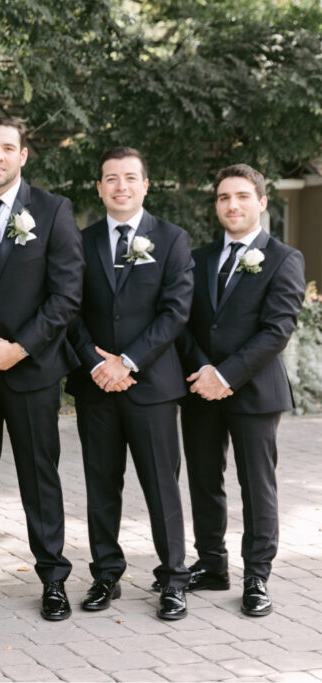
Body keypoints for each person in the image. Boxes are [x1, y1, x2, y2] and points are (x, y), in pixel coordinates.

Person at [0, 117, 82, 621]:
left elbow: (66, 294)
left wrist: (21, 348)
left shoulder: (52, 210)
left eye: (8, 148)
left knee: (38, 475)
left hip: (32, 372)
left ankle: (52, 576)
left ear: (24, 155)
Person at [65, 147, 193, 620]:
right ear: (99, 188)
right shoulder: (81, 240)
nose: (120, 186)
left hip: (153, 386)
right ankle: (105, 574)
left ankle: (174, 579)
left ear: (145, 185)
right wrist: (98, 365)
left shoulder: (173, 239)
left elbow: (175, 311)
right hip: (96, 384)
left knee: (162, 486)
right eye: (110, 178)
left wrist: (130, 361)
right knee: (101, 483)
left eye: (130, 178)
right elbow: (69, 310)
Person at [177, 163, 305, 617]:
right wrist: (202, 371)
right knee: (204, 480)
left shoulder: (285, 259)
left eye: (242, 196)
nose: (232, 205)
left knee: (257, 486)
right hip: (199, 389)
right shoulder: (196, 258)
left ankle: (257, 577)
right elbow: (184, 323)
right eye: (224, 197)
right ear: (216, 205)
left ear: (261, 201)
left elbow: (277, 330)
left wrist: (225, 375)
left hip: (253, 392)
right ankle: (212, 565)